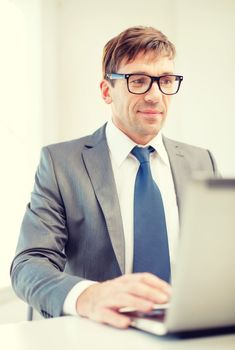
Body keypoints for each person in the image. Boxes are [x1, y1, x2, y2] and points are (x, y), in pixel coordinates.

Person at [10, 26, 217, 329]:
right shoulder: (60, 163)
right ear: (107, 91)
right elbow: (28, 266)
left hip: (187, 332)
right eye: (139, 81)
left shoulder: (201, 161)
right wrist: (89, 296)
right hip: (99, 335)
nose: (155, 95)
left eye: (166, 81)